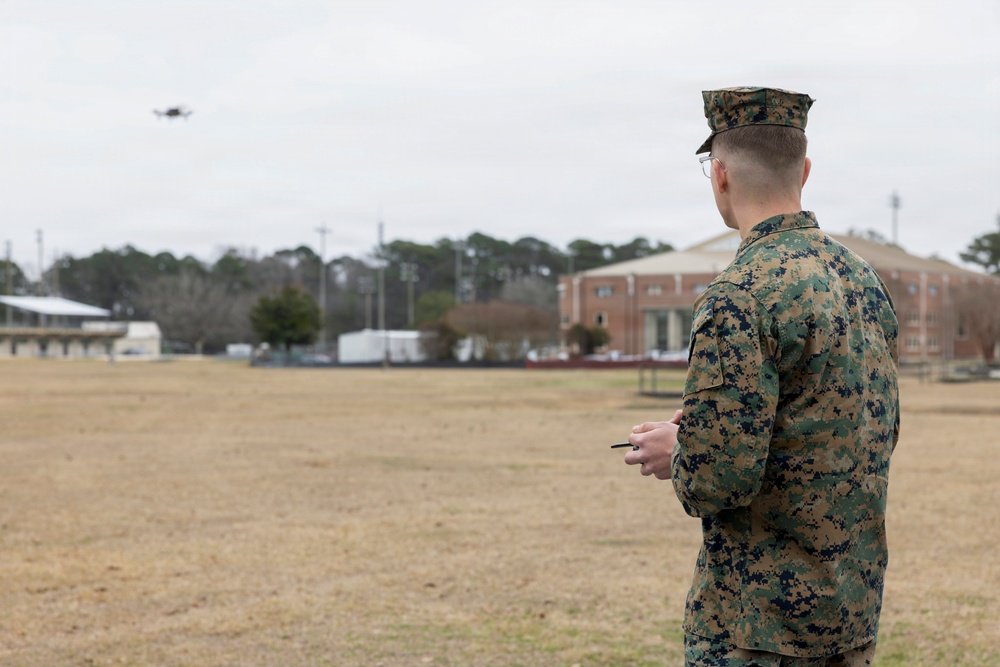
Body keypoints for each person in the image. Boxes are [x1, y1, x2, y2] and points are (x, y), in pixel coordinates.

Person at [622, 87, 900, 667]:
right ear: (804, 170)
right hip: (849, 610)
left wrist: (681, 450)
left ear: (719, 176)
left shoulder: (739, 295)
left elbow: (718, 480)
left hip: (761, 626)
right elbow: (850, 427)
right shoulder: (860, 279)